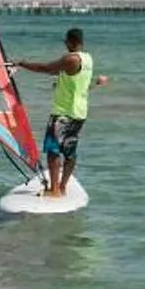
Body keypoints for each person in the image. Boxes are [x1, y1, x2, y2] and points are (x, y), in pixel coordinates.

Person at [12, 26, 94, 197]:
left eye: (66, 41)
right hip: (79, 113)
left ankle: (55, 189)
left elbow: (46, 68)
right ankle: (62, 186)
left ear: (70, 42)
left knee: (53, 150)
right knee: (70, 152)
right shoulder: (87, 59)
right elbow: (58, 71)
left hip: (63, 113)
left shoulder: (71, 59)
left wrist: (23, 63)